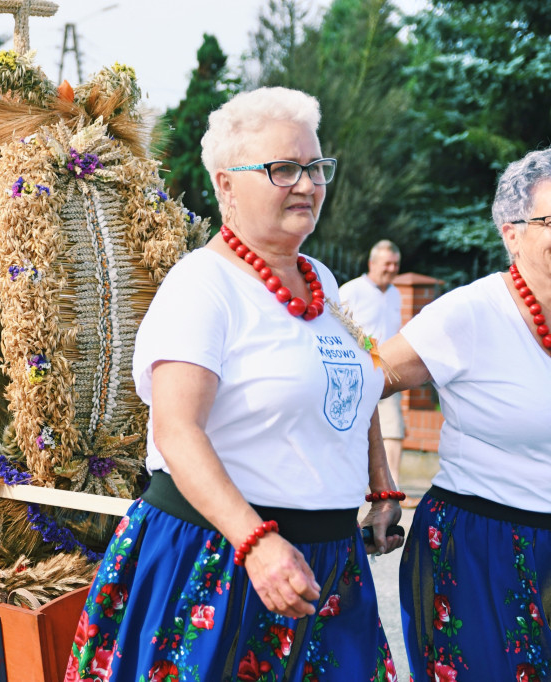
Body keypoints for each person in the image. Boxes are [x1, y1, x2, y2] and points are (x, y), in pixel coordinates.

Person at [65, 87, 404, 681]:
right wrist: (258, 545)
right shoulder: (203, 286)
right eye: (283, 169)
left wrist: (379, 483)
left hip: (327, 561)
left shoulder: (321, 280)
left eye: (316, 167)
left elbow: (356, 383)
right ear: (225, 184)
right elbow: (177, 429)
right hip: (220, 559)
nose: (307, 184)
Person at [380, 148, 551, 679]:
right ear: (511, 232)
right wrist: (382, 487)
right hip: (480, 550)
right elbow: (358, 382)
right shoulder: (470, 313)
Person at [339, 240, 411, 496]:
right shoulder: (352, 290)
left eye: (396, 264)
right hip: (356, 372)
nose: (392, 269)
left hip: (385, 371)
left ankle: (393, 488)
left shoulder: (395, 293)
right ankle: (351, 485)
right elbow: (337, 324)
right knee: (351, 428)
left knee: (392, 429)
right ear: (372, 263)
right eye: (386, 264)